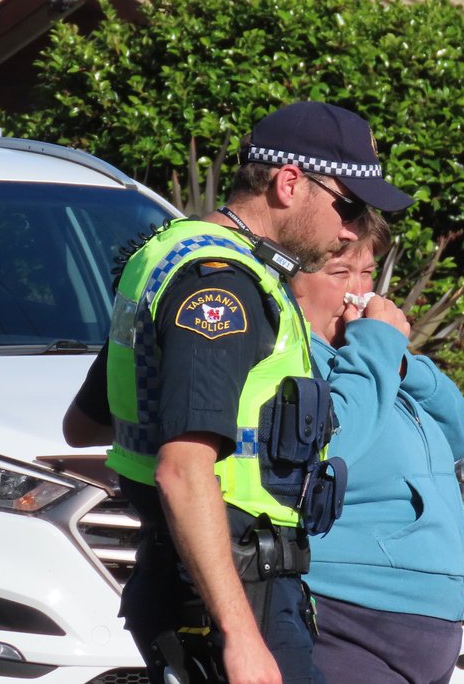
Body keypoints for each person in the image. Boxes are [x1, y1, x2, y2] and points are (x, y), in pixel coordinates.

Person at [66, 101, 413, 684]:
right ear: (289, 182)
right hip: (233, 591)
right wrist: (242, 638)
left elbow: (89, 423)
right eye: (348, 205)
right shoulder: (222, 289)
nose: (352, 229)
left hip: (193, 580)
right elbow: (182, 469)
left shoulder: (171, 255)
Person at [290, 212, 464, 684]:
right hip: (349, 615)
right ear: (292, 285)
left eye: (368, 273)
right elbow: (333, 441)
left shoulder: (371, 355)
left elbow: (457, 432)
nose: (360, 294)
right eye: (339, 273)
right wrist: (376, 347)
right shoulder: (297, 359)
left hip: (429, 621)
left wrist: (400, 361)